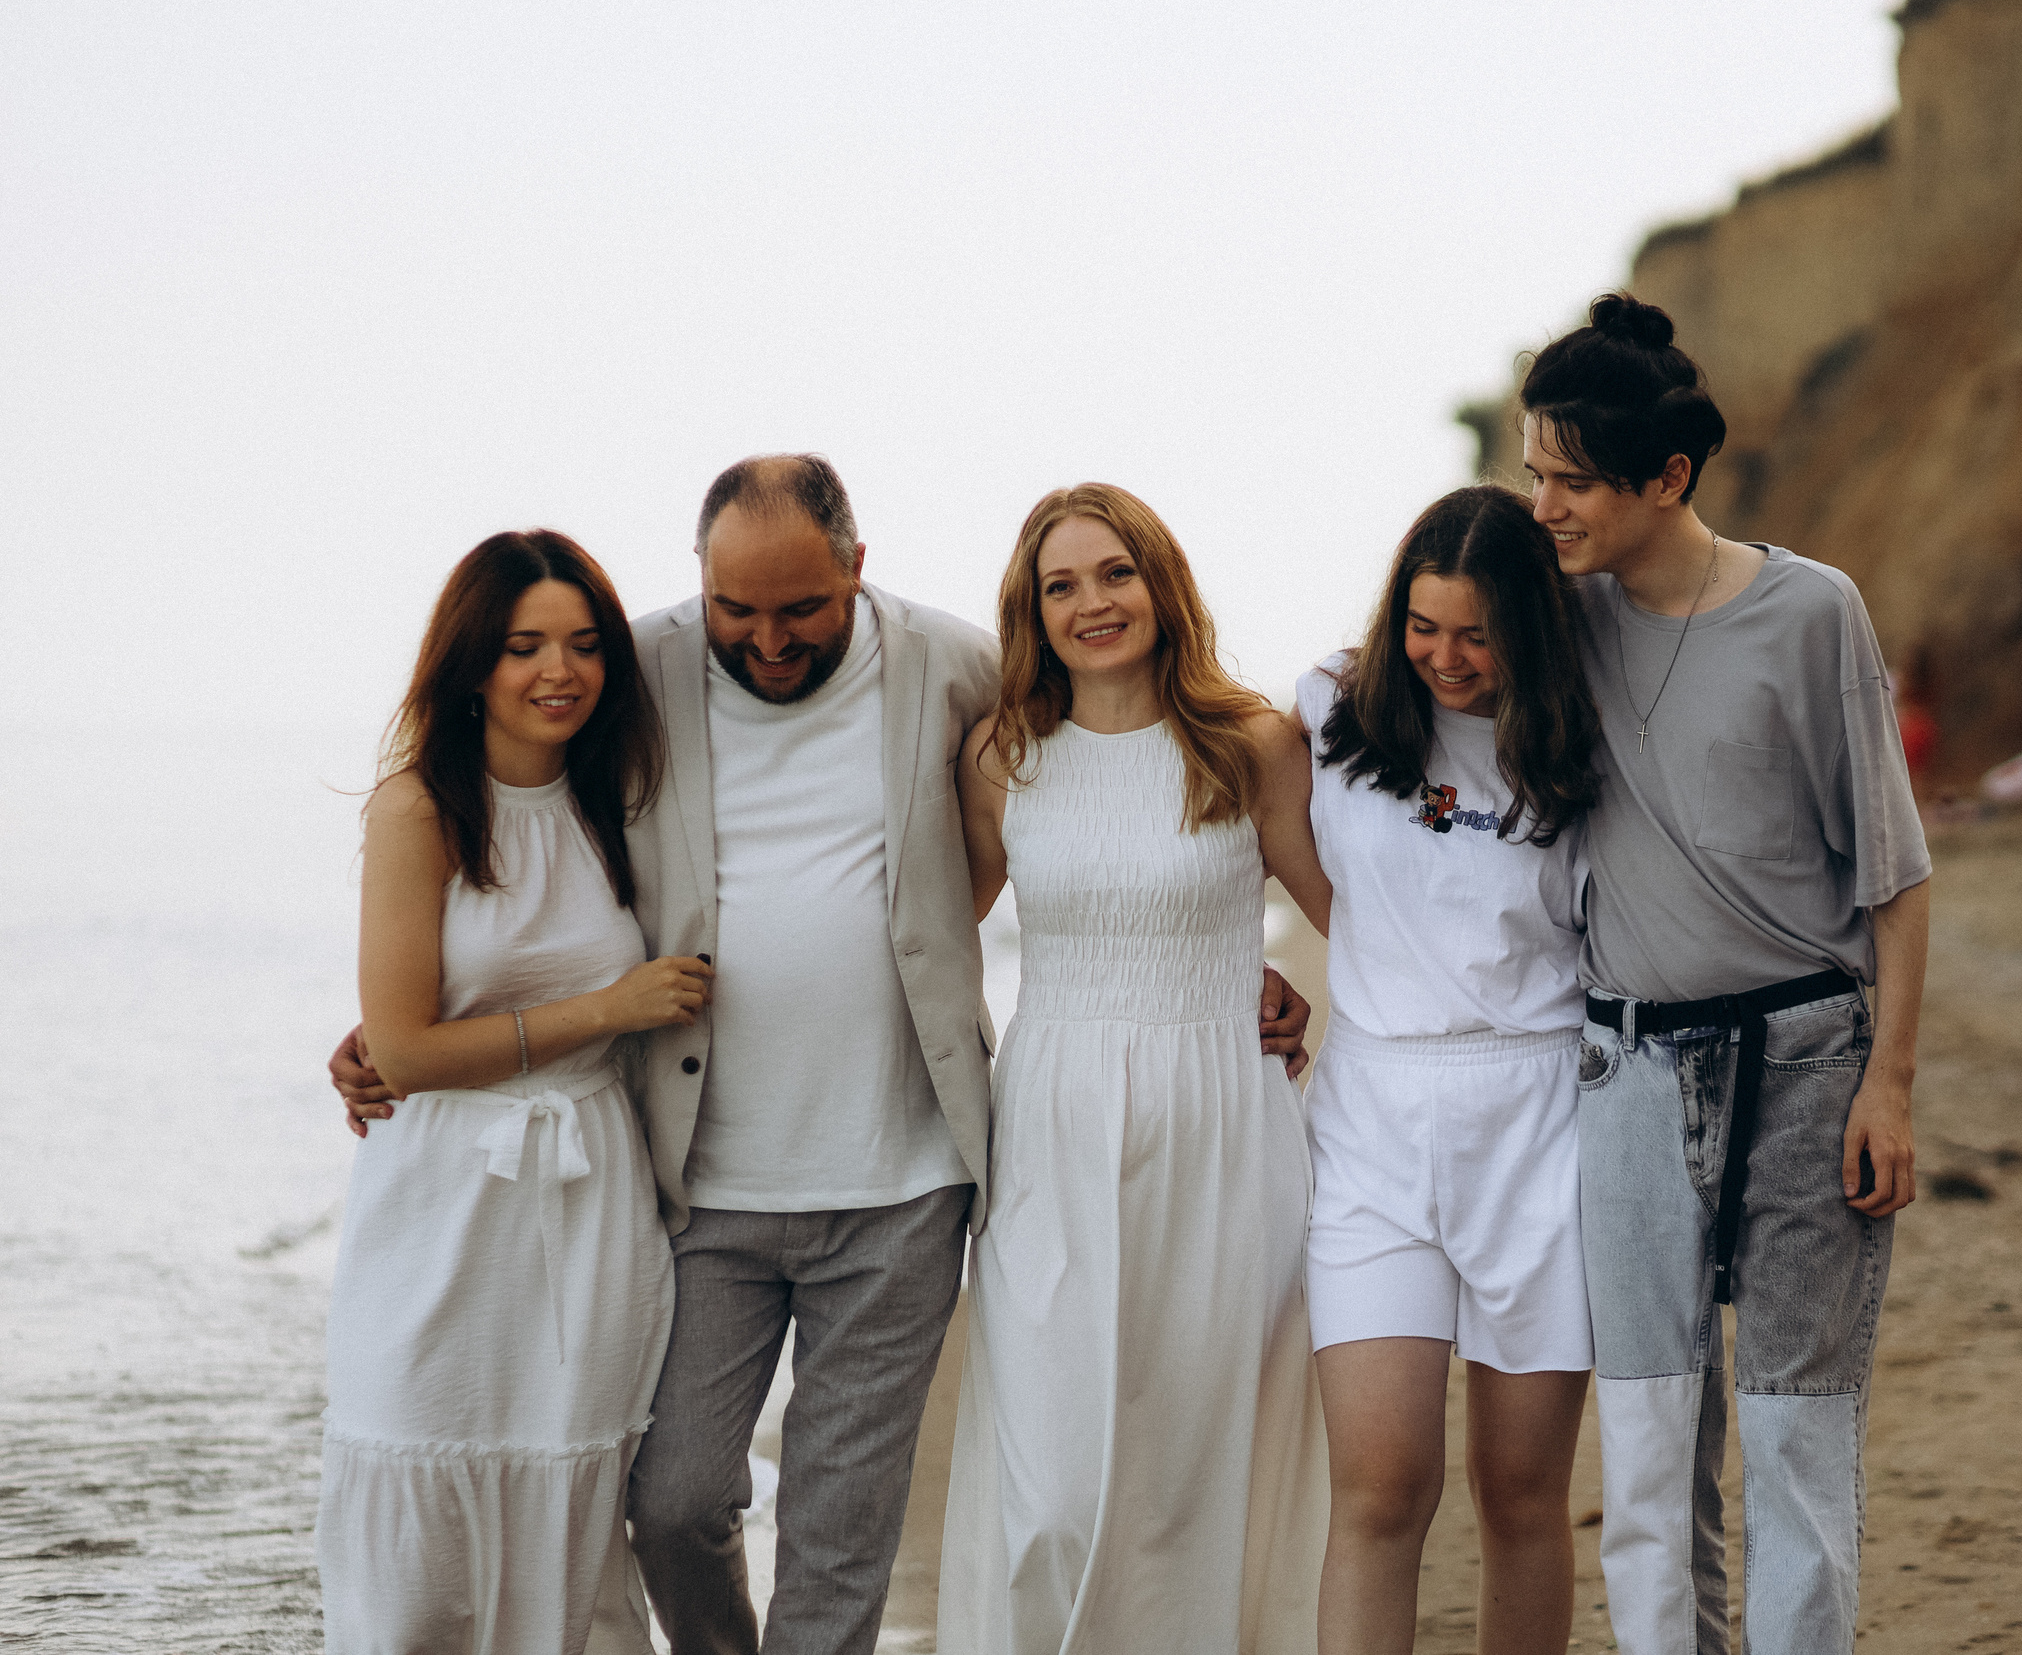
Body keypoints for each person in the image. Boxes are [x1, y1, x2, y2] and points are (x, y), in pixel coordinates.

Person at [330, 456, 1320, 1655]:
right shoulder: (632, 670)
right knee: (673, 1502)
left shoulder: (951, 667)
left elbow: (1074, 829)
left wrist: (1214, 967)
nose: (767, 639)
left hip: (904, 1184)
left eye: (801, 607)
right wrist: (412, 1028)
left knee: (838, 1537)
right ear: (698, 582)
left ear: (857, 566)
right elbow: (530, 840)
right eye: (734, 609)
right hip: (702, 1187)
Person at [1520, 294, 1931, 1655]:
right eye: (1533, 473)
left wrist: (1890, 1085)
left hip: (1810, 1065)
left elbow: (1895, 874)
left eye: (1571, 480)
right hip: (1628, 1071)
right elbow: (1411, 673)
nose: (1544, 506)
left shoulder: (1813, 612)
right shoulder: (1555, 621)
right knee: (1648, 1442)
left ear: (1667, 476)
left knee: (1797, 1433)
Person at [936, 482, 1331, 1654]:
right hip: (1050, 1130)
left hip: (1222, 1127)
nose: (1092, 603)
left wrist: (1309, 1006)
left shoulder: (1248, 744)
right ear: (1031, 611)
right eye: (1060, 585)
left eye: (1115, 572)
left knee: (1195, 1469)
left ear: (1162, 583)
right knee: (1051, 1491)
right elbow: (930, 943)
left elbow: (1360, 923)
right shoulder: (1002, 757)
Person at [320, 530, 697, 1653]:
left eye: (584, 644)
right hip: (443, 1198)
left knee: (570, 1494)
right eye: (524, 645)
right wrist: (607, 1008)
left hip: (589, 1201)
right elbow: (407, 1050)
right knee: (417, 1498)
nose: (558, 671)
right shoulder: (418, 809)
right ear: (473, 663)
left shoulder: (621, 799)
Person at [1291, 485, 1603, 1655]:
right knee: (1380, 1487)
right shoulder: (1331, 708)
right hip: (1371, 1122)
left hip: (1540, 1123)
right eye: (1423, 627)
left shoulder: (1581, 737)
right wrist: (1243, 976)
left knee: (1520, 1495)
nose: (1446, 658)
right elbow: (1226, 841)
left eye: (1477, 634)